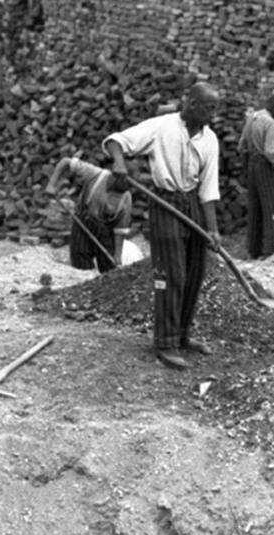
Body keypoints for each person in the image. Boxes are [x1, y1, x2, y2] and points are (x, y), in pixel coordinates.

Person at [105, 83, 223, 371]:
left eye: (214, 108)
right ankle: (165, 343)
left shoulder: (210, 140)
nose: (213, 113)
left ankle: (182, 336)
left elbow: (208, 189)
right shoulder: (162, 127)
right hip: (165, 202)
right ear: (192, 104)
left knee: (195, 272)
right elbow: (116, 141)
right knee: (172, 274)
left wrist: (213, 230)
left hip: (193, 204)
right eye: (209, 107)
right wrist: (120, 163)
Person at [46, 150, 132, 273]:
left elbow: (120, 229)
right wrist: (51, 184)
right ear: (113, 177)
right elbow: (65, 162)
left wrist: (118, 255)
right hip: (84, 221)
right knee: (81, 263)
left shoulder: (126, 197)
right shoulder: (95, 173)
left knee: (109, 269)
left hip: (106, 230)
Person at [239, 92, 274, 257]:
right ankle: (270, 252)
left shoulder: (253, 117)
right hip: (266, 168)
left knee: (255, 208)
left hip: (252, 166)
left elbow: (242, 145)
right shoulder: (271, 123)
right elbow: (271, 151)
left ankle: (253, 250)